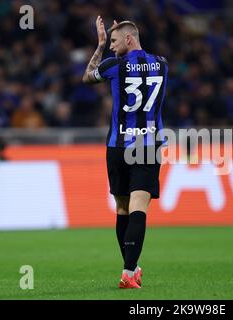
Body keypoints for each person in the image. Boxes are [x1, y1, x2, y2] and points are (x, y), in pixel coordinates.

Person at [82, 16, 168, 289]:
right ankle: (130, 270)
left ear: (129, 39)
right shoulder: (163, 65)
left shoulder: (113, 66)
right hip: (148, 145)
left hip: (117, 146)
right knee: (138, 208)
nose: (111, 47)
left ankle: (130, 270)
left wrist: (99, 45)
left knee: (122, 208)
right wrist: (118, 33)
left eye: (115, 42)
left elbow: (87, 77)